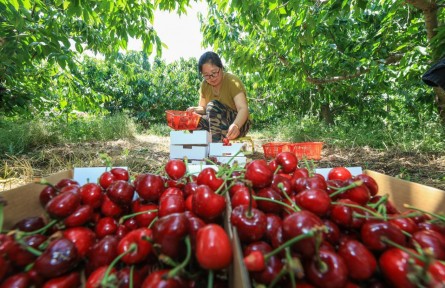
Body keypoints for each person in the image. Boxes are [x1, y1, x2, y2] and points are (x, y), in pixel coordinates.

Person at [187, 51, 251, 143]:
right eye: (206, 75)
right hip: (216, 125)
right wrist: (194, 110)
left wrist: (236, 125)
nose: (211, 78)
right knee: (194, 120)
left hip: (239, 124)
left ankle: (216, 147)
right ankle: (206, 145)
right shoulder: (205, 85)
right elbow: (204, 108)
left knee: (213, 106)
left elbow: (243, 108)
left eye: (214, 73)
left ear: (221, 67)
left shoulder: (232, 82)